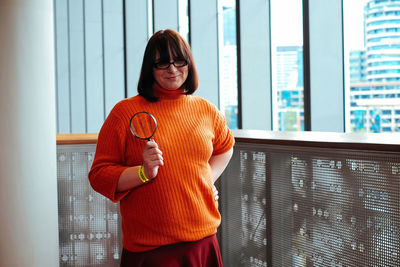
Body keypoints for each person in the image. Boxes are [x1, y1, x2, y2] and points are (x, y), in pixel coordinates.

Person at [88, 29, 234, 267]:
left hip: (202, 241)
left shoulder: (205, 109)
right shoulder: (124, 112)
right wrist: (143, 172)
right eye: (162, 63)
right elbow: (99, 175)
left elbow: (225, 146)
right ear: (150, 68)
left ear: (189, 64)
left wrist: (207, 178)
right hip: (151, 252)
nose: (173, 69)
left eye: (179, 61)